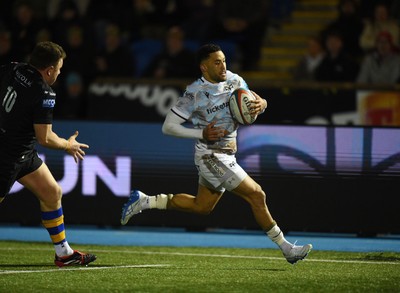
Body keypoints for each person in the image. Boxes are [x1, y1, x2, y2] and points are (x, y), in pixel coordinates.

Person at [121, 44, 312, 265]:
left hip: (227, 156)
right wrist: (200, 132)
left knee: (202, 207)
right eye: (216, 62)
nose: (223, 66)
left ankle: (145, 201)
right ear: (204, 67)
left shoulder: (235, 81)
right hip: (210, 156)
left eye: (223, 61)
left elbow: (252, 103)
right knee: (257, 195)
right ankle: (287, 248)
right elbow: (168, 126)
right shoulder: (194, 93)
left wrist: (263, 103)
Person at [0, 41, 96, 267]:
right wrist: (68, 145)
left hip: (22, 152)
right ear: (49, 69)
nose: (59, 73)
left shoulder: (14, 68)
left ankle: (64, 253)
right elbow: (45, 138)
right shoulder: (44, 92)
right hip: (7, 156)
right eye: (59, 69)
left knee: (52, 192)